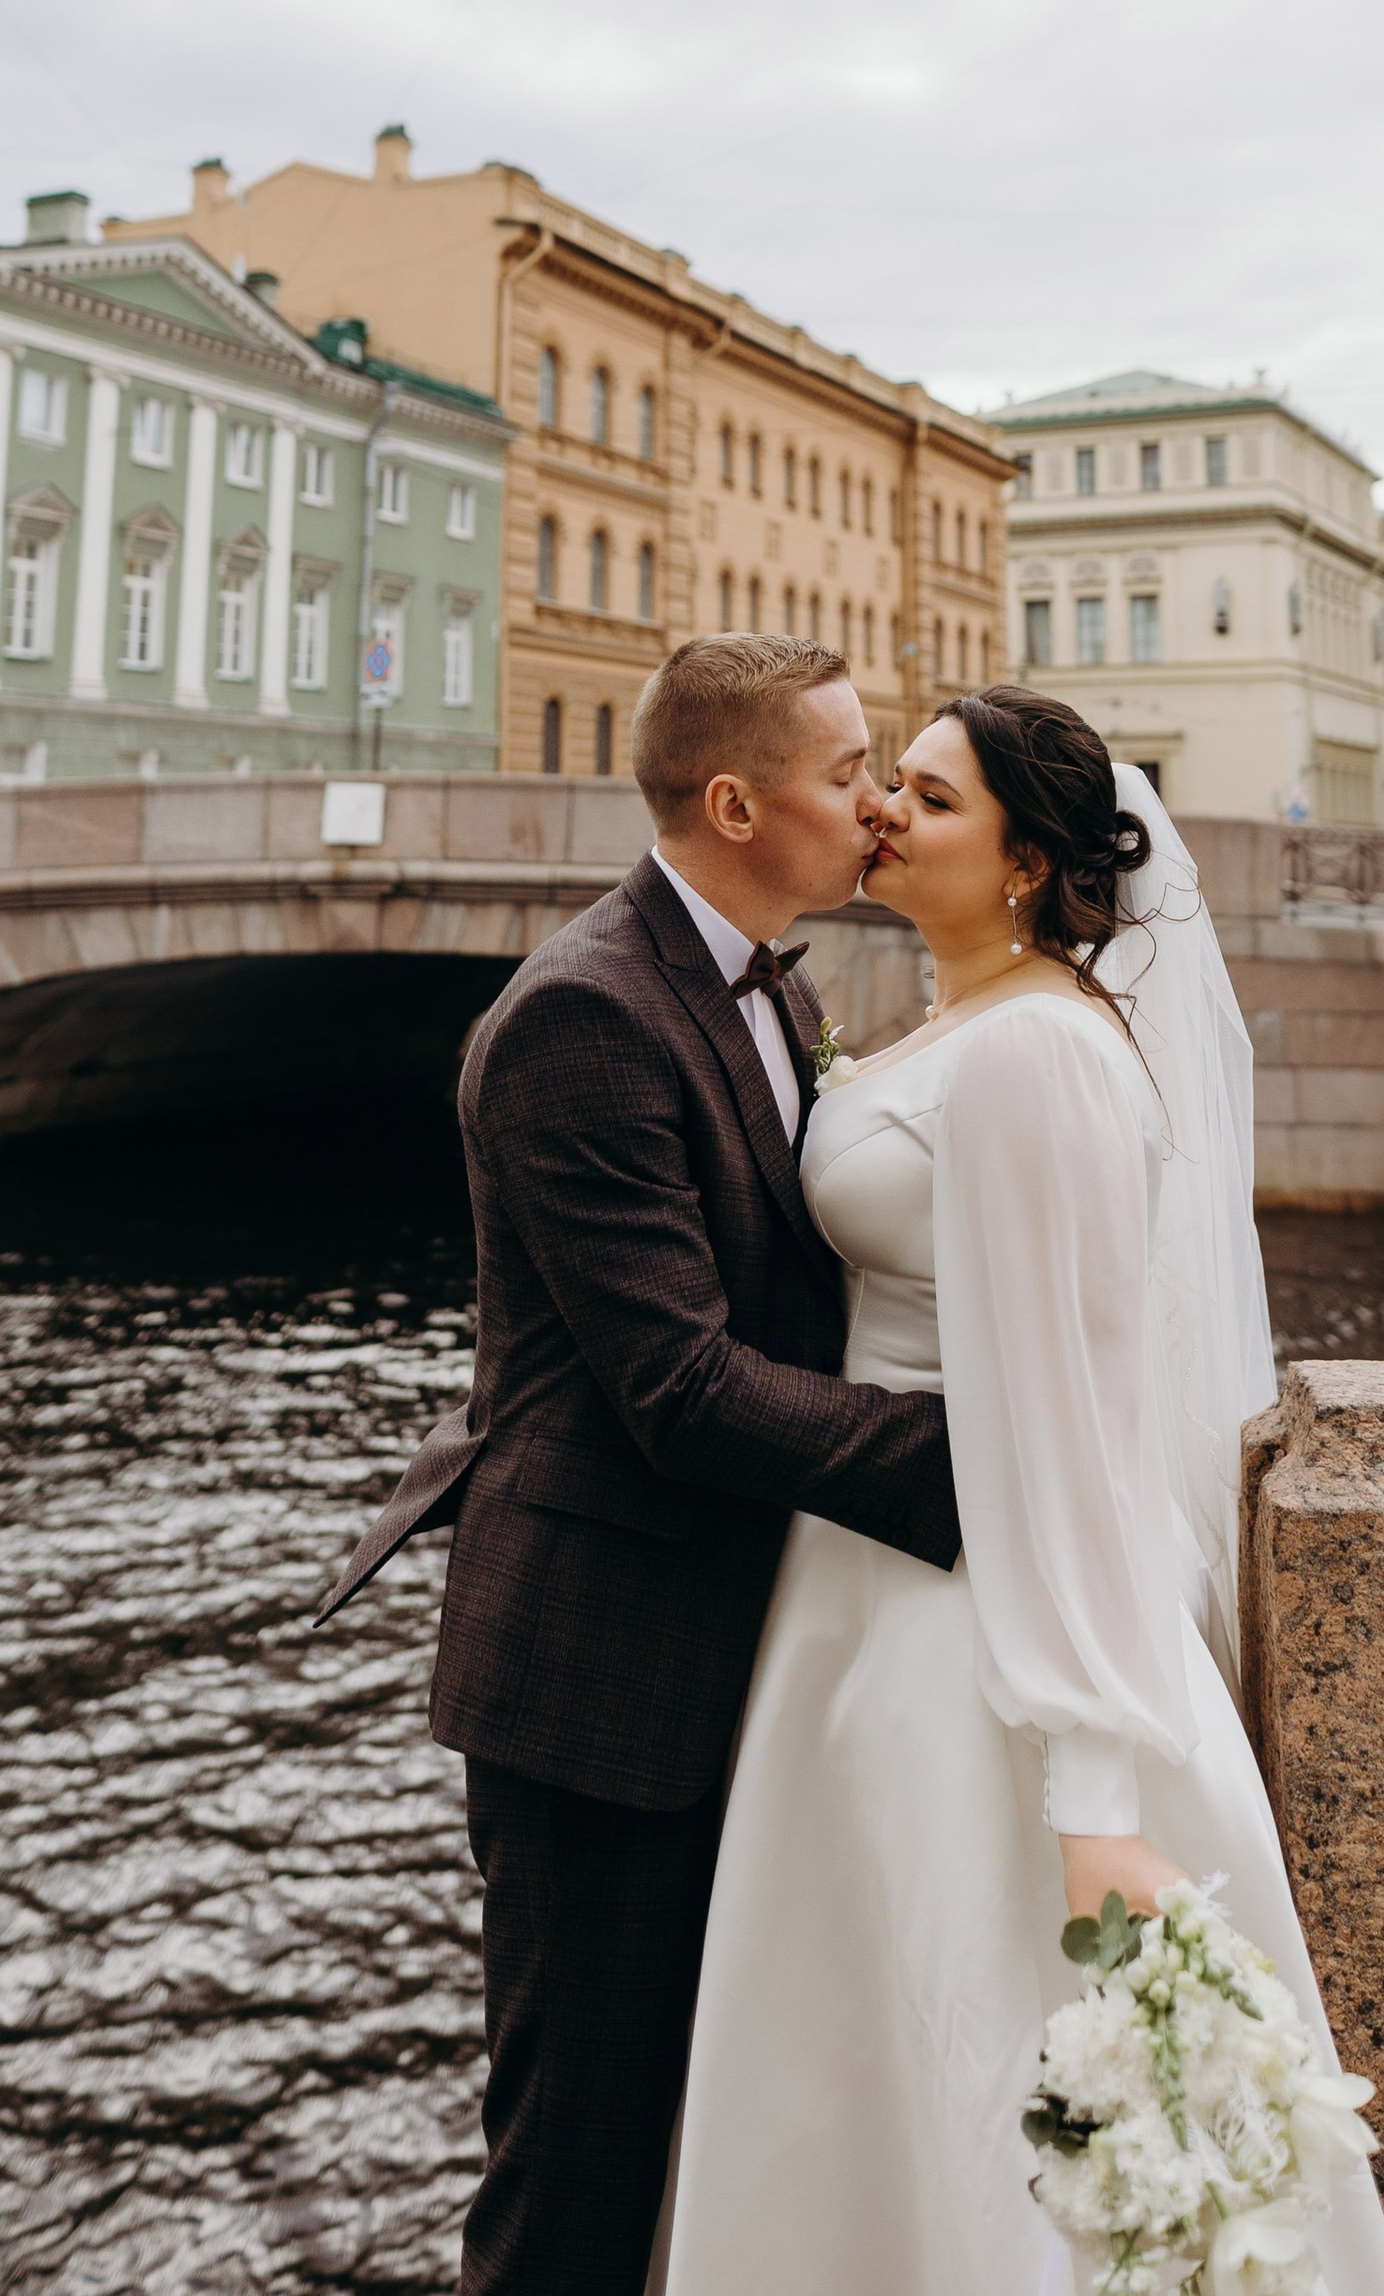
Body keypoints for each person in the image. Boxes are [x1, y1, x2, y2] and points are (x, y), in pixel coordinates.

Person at [650, 682, 1384, 2296]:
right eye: (884, 783)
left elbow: (1065, 1427)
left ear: (1018, 860)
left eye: (923, 797)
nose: (879, 815)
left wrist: (1091, 1800)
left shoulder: (1038, 1056)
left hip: (975, 1624)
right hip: (867, 1596)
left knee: (979, 2072)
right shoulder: (965, 1019)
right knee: (872, 2071)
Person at [312, 633, 960, 2296]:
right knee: (574, 2188)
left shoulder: (776, 978)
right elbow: (677, 1385)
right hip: (601, 1684)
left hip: (735, 1643)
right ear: (739, 801)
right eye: (847, 770)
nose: (878, 801)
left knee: (703, 2148)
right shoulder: (581, 1017)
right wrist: (981, 1458)